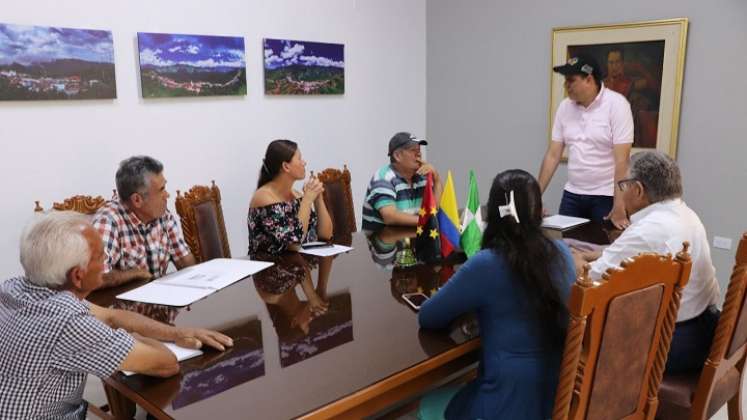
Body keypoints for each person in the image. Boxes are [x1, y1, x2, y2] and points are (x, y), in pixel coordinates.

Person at [0, 212, 233, 419]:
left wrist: (178, 333)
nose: (107, 264)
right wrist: (131, 337)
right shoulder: (68, 322)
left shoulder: (13, 288)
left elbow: (112, 317)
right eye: (101, 256)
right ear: (78, 276)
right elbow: (166, 364)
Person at [418, 169, 576, 420]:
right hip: (557, 399)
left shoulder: (487, 263)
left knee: (428, 405)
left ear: (491, 213)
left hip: (503, 404)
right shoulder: (562, 252)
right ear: (539, 211)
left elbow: (428, 316)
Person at [574, 151, 721, 374]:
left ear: (638, 190)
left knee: (575, 332)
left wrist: (574, 259)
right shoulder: (685, 214)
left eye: (623, 186)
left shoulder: (649, 229)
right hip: (705, 328)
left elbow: (590, 279)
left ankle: (587, 403)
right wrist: (601, 254)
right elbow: (636, 256)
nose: (621, 194)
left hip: (674, 345)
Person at [538, 53, 634, 229]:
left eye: (571, 80)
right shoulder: (564, 107)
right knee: (565, 249)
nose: (566, 86)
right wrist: (534, 197)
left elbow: (622, 161)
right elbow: (553, 155)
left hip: (605, 197)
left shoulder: (617, 105)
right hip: (572, 195)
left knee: (602, 249)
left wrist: (620, 205)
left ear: (589, 80)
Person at [92, 155, 195, 288]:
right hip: (124, 306)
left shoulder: (162, 214)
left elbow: (184, 260)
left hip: (160, 302)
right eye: (161, 190)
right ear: (137, 200)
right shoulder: (108, 221)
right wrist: (135, 274)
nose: (167, 195)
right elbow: (97, 277)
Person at [247, 139, 333, 257]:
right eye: (299, 159)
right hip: (270, 270)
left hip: (299, 266)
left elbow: (325, 235)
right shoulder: (263, 198)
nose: (304, 162)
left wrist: (318, 199)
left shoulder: (296, 195)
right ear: (286, 166)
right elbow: (294, 243)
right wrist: (307, 200)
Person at [362, 132, 442, 230]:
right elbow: (390, 217)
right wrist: (426, 221)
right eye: (413, 150)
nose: (419, 154)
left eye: (419, 150)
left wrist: (436, 179)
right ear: (397, 156)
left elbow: (434, 210)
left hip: (409, 240)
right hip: (379, 242)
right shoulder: (383, 178)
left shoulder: (422, 177)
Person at [604, 48, 661, 149]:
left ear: (623, 64)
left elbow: (654, 84)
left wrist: (639, 68)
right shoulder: (601, 85)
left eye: (617, 62)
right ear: (607, 64)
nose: (614, 66)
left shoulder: (632, 82)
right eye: (611, 62)